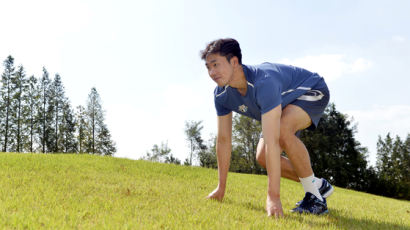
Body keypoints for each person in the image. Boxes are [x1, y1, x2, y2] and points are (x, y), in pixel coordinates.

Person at [200, 38, 334, 217]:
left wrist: (273, 197)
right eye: (208, 67)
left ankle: (315, 198)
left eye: (216, 64)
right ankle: (317, 184)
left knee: (281, 132)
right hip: (283, 102)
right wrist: (220, 188)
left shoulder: (264, 83)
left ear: (234, 61)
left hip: (311, 90)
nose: (212, 72)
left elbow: (273, 141)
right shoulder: (221, 95)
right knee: (262, 156)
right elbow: (224, 140)